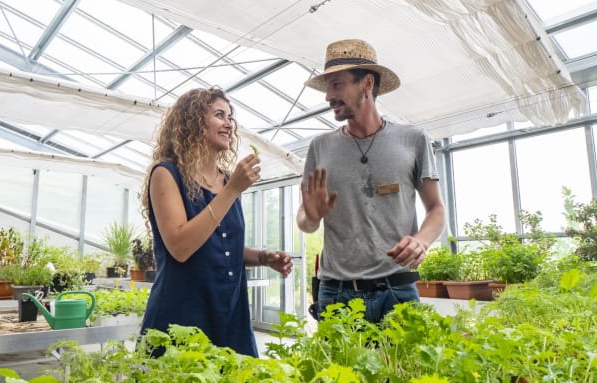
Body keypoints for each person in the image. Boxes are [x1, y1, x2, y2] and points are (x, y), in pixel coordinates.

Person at [297, 39, 446, 323]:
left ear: (366, 83)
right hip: (336, 293)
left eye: (337, 84)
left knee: (404, 368)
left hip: (398, 290)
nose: (328, 96)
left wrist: (422, 241)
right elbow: (304, 220)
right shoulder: (320, 147)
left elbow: (436, 208)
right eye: (328, 86)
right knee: (340, 369)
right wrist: (311, 217)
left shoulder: (413, 139)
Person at [139, 86, 292, 357]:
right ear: (193, 122)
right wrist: (232, 190)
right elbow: (181, 246)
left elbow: (220, 247)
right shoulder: (166, 174)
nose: (228, 124)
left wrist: (264, 257)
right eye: (219, 115)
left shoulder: (226, 178)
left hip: (229, 313)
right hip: (181, 314)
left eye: (230, 117)